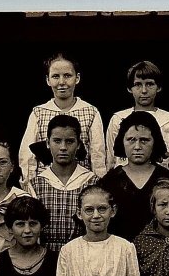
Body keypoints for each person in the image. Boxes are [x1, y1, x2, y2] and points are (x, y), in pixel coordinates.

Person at [19, 52, 107, 185]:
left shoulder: (91, 111)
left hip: (83, 182)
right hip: (46, 183)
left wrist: (99, 184)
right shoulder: (38, 113)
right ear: (48, 80)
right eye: (55, 76)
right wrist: (29, 183)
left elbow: (97, 154)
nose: (61, 82)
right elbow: (28, 156)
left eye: (67, 76)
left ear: (77, 78)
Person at [98, 111, 169, 241]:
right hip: (119, 252)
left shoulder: (167, 180)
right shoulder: (108, 182)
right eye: (131, 140)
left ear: (155, 142)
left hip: (158, 253)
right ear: (122, 141)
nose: (137, 146)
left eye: (144, 140)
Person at [105, 60, 169, 182]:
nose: (144, 90)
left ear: (158, 87)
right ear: (130, 88)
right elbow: (111, 159)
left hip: (161, 185)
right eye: (138, 84)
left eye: (149, 84)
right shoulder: (118, 119)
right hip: (123, 184)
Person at [26, 114, 98, 251]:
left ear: (78, 144)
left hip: (82, 254)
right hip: (44, 257)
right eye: (57, 141)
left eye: (70, 141)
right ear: (48, 143)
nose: (63, 147)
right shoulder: (36, 184)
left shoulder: (92, 182)